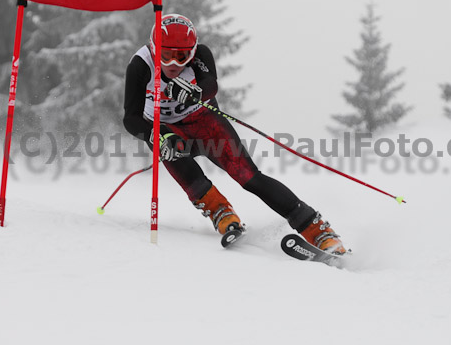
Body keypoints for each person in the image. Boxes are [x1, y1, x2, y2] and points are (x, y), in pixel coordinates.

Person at [123, 13, 346, 254]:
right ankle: (221, 212)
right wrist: (156, 133)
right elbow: (131, 117)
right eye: (166, 56)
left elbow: (212, 84)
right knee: (183, 165)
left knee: (249, 177)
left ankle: (318, 230)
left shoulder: (201, 54)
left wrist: (196, 93)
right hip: (167, 129)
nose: (174, 64)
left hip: (204, 123)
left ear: (192, 51)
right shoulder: (140, 65)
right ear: (154, 49)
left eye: (182, 57)